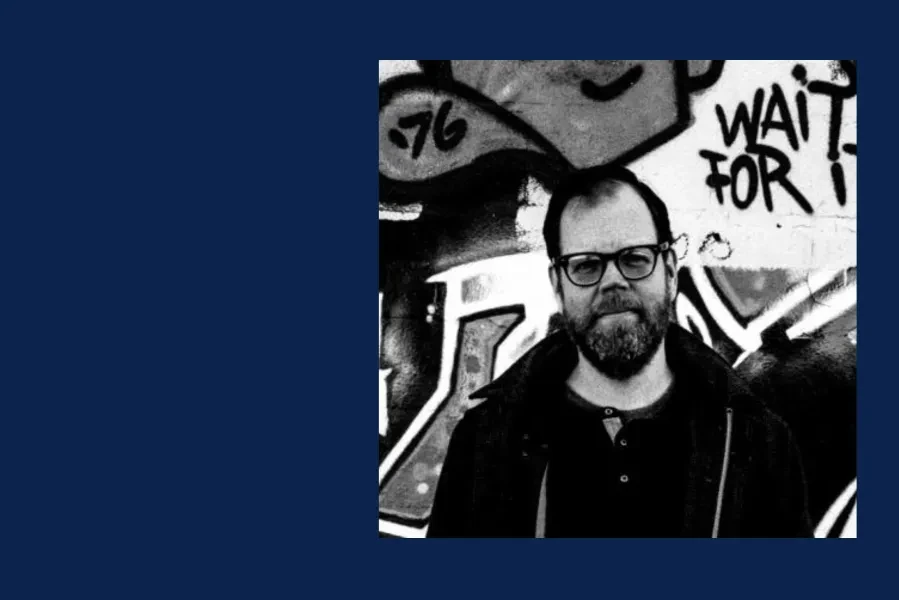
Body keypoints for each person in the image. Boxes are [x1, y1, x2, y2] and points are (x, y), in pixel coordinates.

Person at [427, 165, 813, 538]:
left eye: (635, 259)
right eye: (586, 265)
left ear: (670, 272)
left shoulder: (756, 443)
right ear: (558, 286)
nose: (613, 281)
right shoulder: (485, 445)